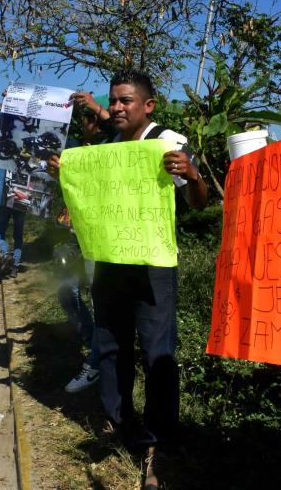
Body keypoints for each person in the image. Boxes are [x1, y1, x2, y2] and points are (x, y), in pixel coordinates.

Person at [50, 70, 207, 489]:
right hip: (109, 266)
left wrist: (191, 175)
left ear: (148, 105)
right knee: (109, 346)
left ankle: (156, 443)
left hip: (153, 269)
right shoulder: (107, 148)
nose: (117, 108)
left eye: (126, 101)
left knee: (158, 354)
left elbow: (198, 202)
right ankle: (119, 422)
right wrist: (63, 175)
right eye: (114, 101)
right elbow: (87, 202)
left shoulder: (167, 142)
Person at [56, 104, 109, 393]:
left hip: (100, 238)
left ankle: (97, 362)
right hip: (75, 236)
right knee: (66, 289)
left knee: (102, 302)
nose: (84, 125)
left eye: (86, 119)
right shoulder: (77, 145)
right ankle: (91, 340)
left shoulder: (112, 146)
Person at [0, 204, 25, 279]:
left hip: (4, 202)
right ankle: (15, 267)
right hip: (21, 204)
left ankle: (5, 255)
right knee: (18, 235)